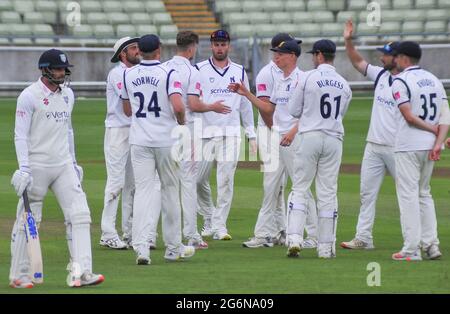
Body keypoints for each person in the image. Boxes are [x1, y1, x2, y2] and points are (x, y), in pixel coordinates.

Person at [10, 49, 104, 288]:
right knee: (29, 220)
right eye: (58, 69)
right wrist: (24, 168)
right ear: (45, 69)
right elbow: (20, 135)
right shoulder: (28, 96)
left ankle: (81, 273)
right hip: (37, 166)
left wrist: (73, 162)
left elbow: (68, 130)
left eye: (64, 69)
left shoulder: (68, 95)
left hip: (63, 165)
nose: (62, 73)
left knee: (80, 215)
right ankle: (19, 275)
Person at [229, 36, 318, 249]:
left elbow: (308, 113)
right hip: (278, 138)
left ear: (292, 56)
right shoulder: (280, 80)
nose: (276, 57)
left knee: (301, 187)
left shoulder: (303, 79)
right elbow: (268, 109)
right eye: (275, 54)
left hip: (294, 140)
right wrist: (246, 93)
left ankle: (314, 236)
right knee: (270, 186)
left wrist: (293, 132)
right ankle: (262, 234)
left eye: (280, 54)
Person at [121, 34, 195, 264]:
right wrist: (181, 122)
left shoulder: (128, 74)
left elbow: (126, 110)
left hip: (140, 140)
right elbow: (177, 105)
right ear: (159, 50)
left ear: (140, 51)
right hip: (165, 140)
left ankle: (142, 247)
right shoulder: (168, 73)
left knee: (143, 192)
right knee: (170, 191)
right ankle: (173, 248)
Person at [163, 31, 232, 249]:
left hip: (162, 130)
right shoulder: (193, 72)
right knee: (188, 182)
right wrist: (213, 106)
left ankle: (155, 236)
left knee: (163, 184)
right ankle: (191, 234)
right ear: (192, 47)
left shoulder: (164, 68)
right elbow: (192, 104)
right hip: (186, 129)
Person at [287, 39, 352, 258]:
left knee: (300, 188)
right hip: (334, 138)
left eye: (314, 54)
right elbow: (340, 114)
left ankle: (294, 238)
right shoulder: (344, 84)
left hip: (310, 136)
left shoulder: (307, 78)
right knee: (327, 193)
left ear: (319, 55)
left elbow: (293, 109)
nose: (313, 58)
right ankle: (325, 247)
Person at [340, 20, 400, 250]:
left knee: (408, 195)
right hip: (373, 146)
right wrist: (347, 40)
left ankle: (420, 240)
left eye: (385, 55)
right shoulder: (381, 76)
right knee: (367, 194)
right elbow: (357, 61)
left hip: (398, 147)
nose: (380, 58)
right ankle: (364, 238)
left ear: (397, 57)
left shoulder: (408, 81)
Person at [195, 30, 257, 240]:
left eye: (223, 44)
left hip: (231, 132)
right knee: (196, 179)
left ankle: (220, 226)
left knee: (225, 180)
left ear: (228, 45)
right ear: (211, 46)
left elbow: (246, 103)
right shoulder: (199, 69)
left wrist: (251, 133)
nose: (219, 48)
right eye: (216, 44)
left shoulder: (239, 71)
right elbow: (193, 100)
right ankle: (209, 217)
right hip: (205, 132)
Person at [390, 41, 449, 261]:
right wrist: (437, 141)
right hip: (429, 146)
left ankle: (411, 249)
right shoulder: (434, 80)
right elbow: (445, 115)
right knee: (424, 194)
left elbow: (409, 116)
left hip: (408, 145)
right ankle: (431, 245)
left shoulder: (400, 81)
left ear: (404, 58)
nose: (394, 60)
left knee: (408, 196)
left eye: (396, 56)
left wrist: (431, 129)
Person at [100, 36, 140, 250]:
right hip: (117, 131)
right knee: (116, 183)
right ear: (122, 53)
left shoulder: (134, 72)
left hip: (134, 131)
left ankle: (129, 232)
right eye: (133, 48)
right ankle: (107, 232)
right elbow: (131, 102)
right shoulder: (117, 73)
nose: (138, 51)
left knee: (131, 185)